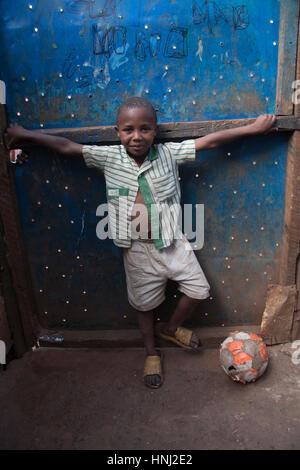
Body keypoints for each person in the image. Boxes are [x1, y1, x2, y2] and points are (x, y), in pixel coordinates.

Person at [5, 97, 277, 388]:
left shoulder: (169, 154)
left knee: (199, 290)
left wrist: (253, 128)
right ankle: (150, 352)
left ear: (155, 130)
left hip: (173, 243)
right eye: (128, 130)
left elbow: (210, 142)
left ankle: (171, 328)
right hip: (135, 249)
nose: (137, 136)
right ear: (117, 131)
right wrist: (25, 135)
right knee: (143, 306)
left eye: (145, 129)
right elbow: (67, 147)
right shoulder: (109, 158)